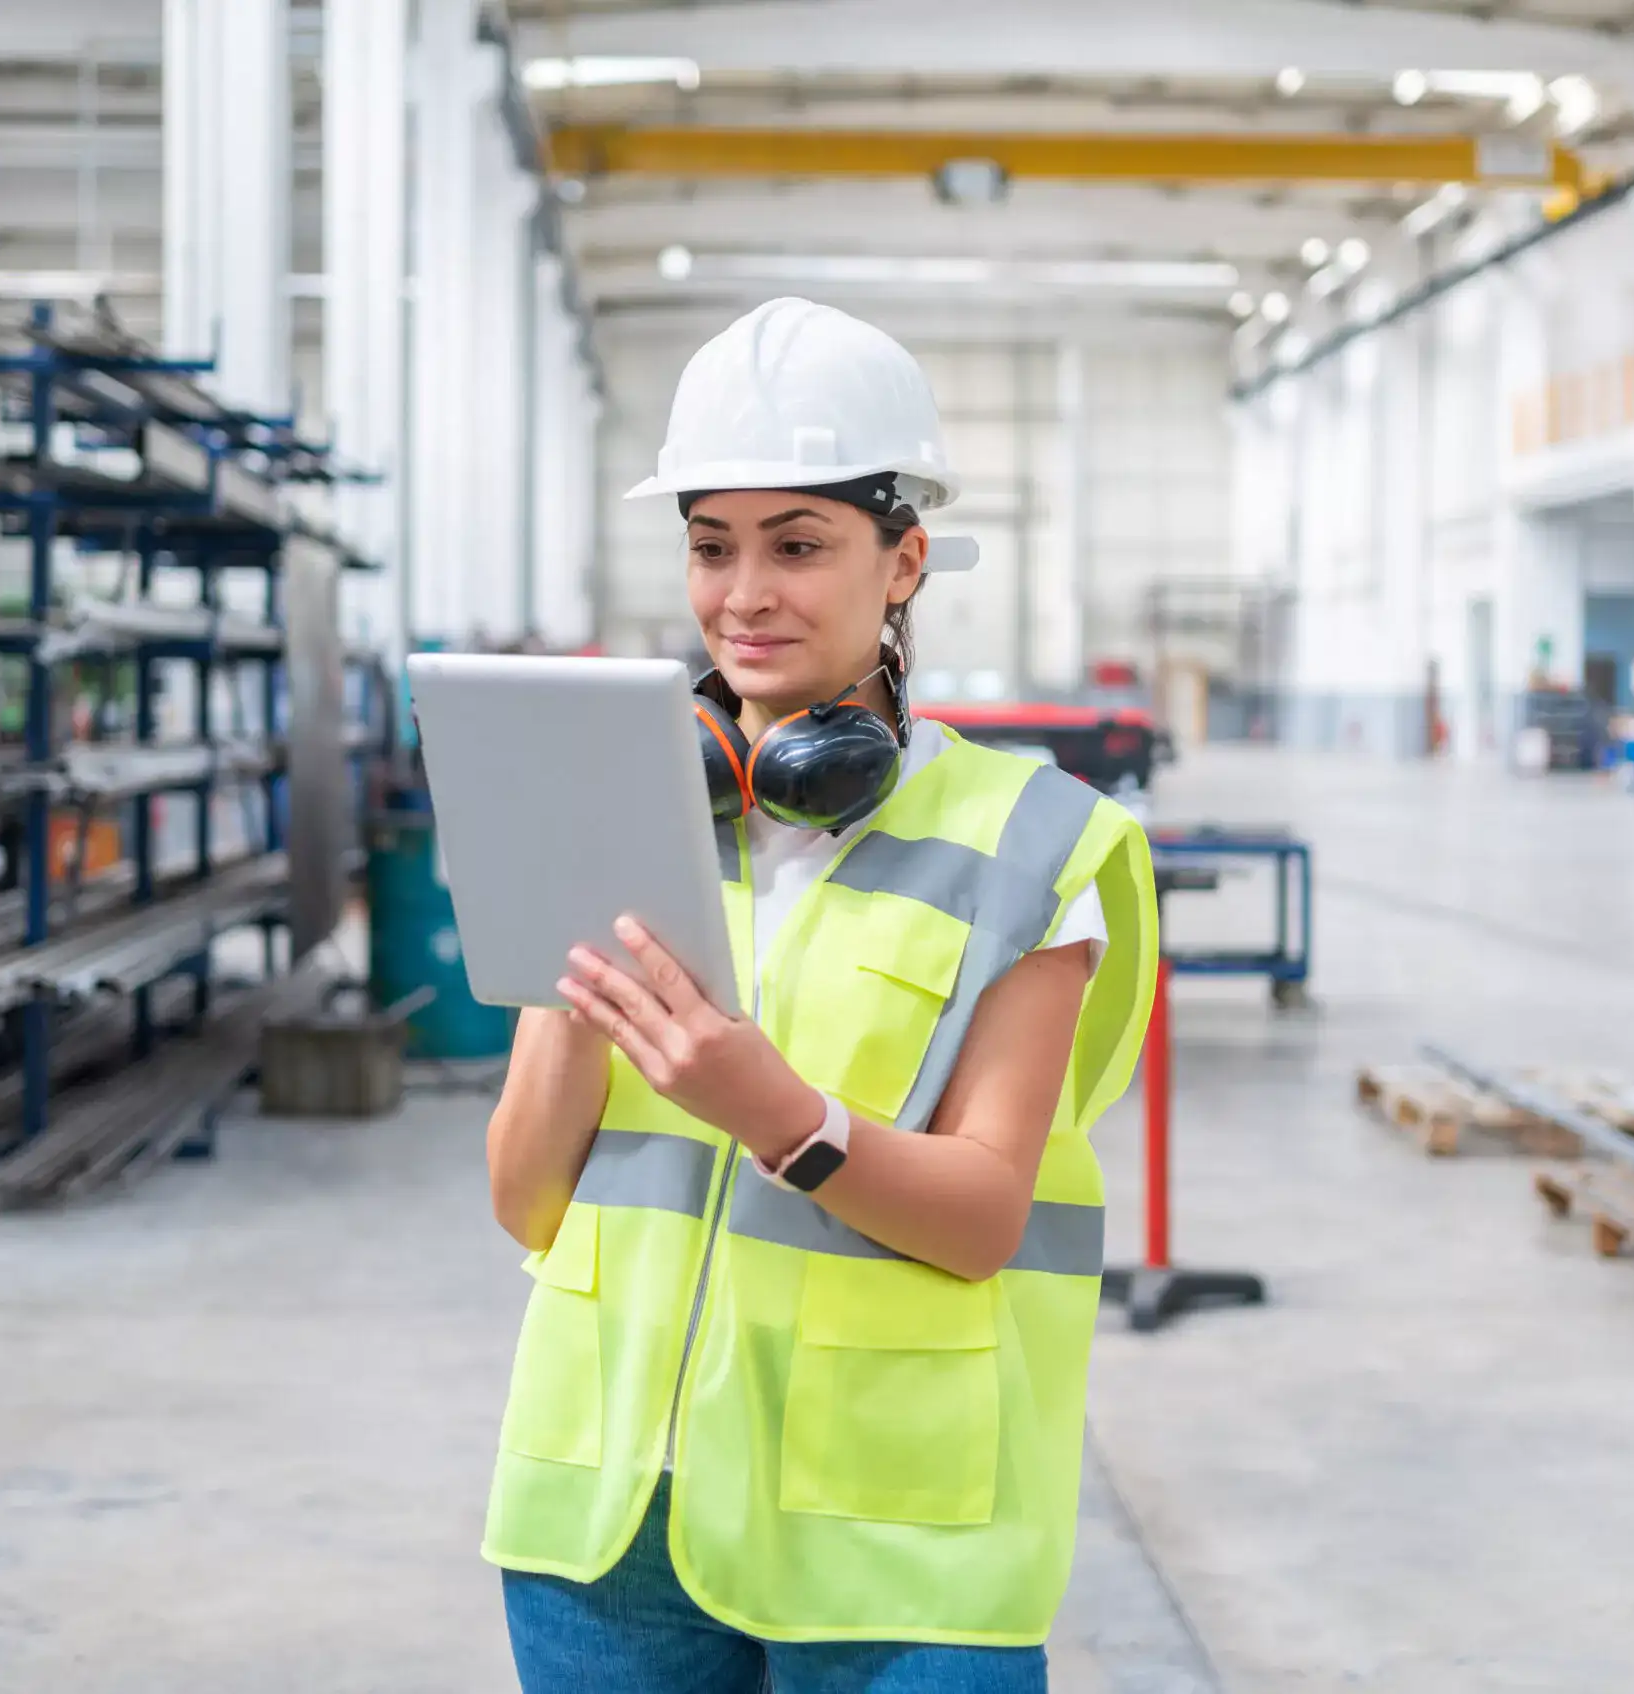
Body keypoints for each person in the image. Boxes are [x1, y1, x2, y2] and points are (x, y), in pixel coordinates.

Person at [481, 297, 1159, 1694]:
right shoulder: (629, 803)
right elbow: (526, 1200)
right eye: (712, 545)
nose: (746, 593)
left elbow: (982, 1217)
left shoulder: (1032, 844)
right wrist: (567, 962)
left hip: (892, 1534)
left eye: (799, 544)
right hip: (610, 1521)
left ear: (902, 559)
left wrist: (773, 1110)